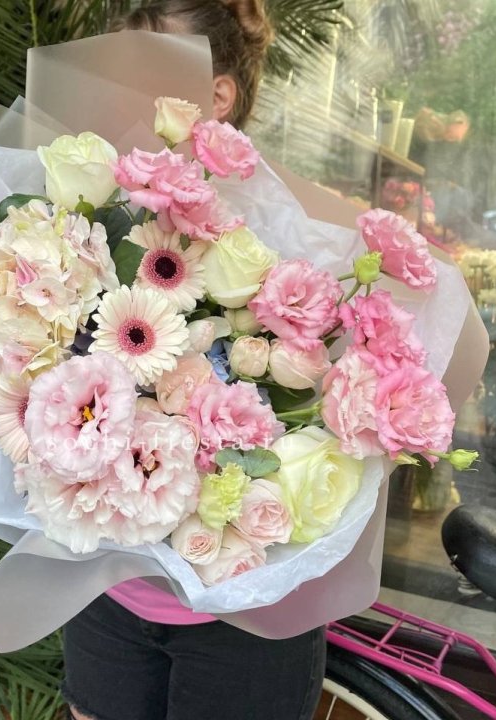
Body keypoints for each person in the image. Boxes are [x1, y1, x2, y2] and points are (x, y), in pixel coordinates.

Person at [61, 3, 327, 720]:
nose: (115, 86)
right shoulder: (89, 216)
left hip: (244, 608)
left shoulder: (284, 236)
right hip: (110, 593)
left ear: (216, 95)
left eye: (143, 66)